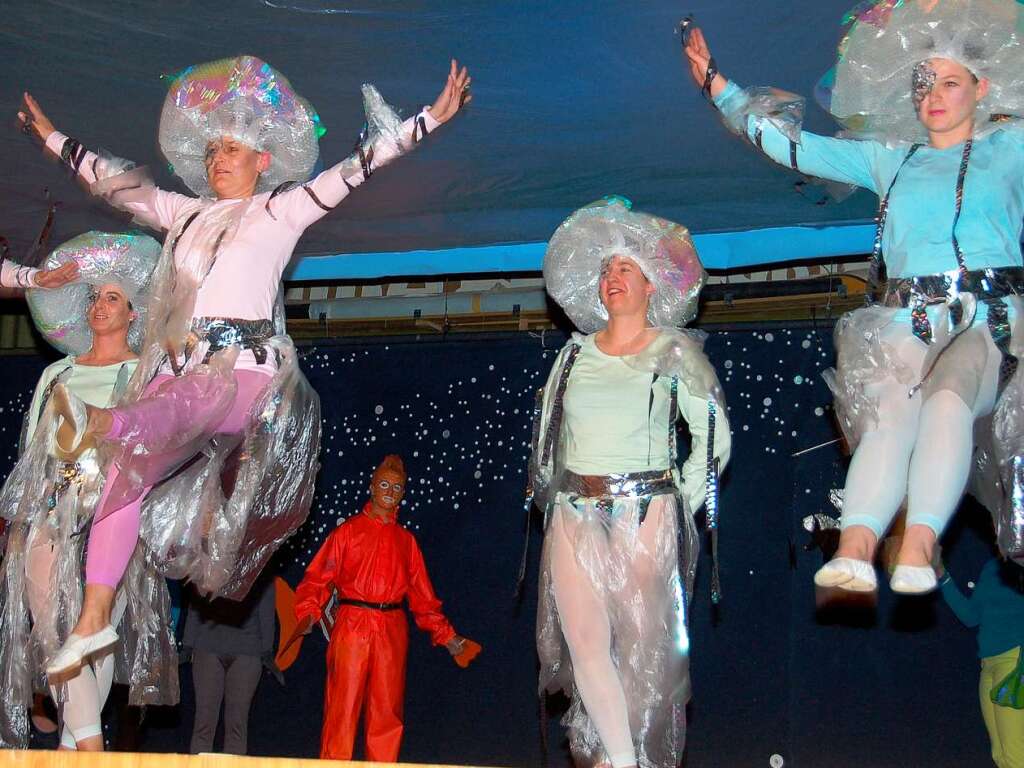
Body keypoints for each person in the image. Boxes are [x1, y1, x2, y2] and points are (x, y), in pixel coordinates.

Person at [17, 53, 472, 677]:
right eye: (210, 152)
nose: (217, 159)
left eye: (232, 149)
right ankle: (93, 622)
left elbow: (356, 168)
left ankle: (101, 421)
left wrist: (428, 120)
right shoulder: (184, 214)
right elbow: (114, 181)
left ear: (263, 161)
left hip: (244, 383)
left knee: (181, 401)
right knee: (123, 482)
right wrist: (50, 139)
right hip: (180, 378)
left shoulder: (282, 209)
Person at [683, 0, 1024, 594]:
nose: (934, 95)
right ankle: (856, 546)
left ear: (982, 87)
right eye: (923, 85)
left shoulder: (1012, 147)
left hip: (986, 318)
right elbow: (795, 147)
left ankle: (919, 542)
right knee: (889, 421)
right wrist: (720, 88)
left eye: (950, 82)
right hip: (906, 318)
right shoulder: (888, 157)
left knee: (947, 401)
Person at [528, 197, 731, 768]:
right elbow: (548, 444)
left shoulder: (674, 351)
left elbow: (714, 436)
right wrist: (556, 501)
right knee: (587, 643)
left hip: (645, 510)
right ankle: (623, 760)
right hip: (574, 511)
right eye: (605, 270)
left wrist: (677, 504)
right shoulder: (571, 358)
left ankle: (642, 751)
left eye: (625, 269)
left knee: (644, 652)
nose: (612, 277)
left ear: (651, 285)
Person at [0, 232, 177, 749]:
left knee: (95, 636)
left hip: (113, 516)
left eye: (112, 297)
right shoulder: (56, 374)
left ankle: (71, 749)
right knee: (54, 630)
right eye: (94, 296)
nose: (100, 305)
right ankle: (93, 750)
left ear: (133, 312)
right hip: (51, 514)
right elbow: (32, 455)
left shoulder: (143, 373)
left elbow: (156, 446)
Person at [291, 454, 480, 762]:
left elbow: (423, 598)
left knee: (387, 711)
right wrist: (308, 612)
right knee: (343, 706)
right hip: (353, 623)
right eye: (384, 484)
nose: (390, 491)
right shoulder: (347, 534)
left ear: (403, 494)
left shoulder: (407, 543)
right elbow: (317, 578)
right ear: (371, 487)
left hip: (391, 627)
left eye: (396, 487)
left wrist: (447, 637)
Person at [939, 556, 1024, 768]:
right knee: (1000, 753)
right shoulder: (990, 566)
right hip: (988, 663)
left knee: (1015, 754)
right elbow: (971, 616)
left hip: (1016, 660)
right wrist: (942, 575)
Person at [182, 573, 278, 755]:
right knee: (204, 724)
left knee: (236, 727)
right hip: (209, 645)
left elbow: (267, 602)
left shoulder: (257, 555)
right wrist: (188, 644)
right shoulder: (208, 555)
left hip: (247, 650)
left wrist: (266, 650)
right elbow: (195, 599)